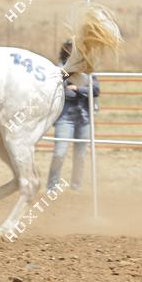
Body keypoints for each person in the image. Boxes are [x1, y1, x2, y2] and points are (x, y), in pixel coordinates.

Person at [47, 40, 99, 192]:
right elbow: (63, 91)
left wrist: (77, 88)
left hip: (84, 118)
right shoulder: (60, 70)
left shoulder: (88, 68)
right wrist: (84, 90)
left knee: (80, 155)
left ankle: (76, 187)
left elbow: (95, 90)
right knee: (60, 153)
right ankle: (52, 187)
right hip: (65, 117)